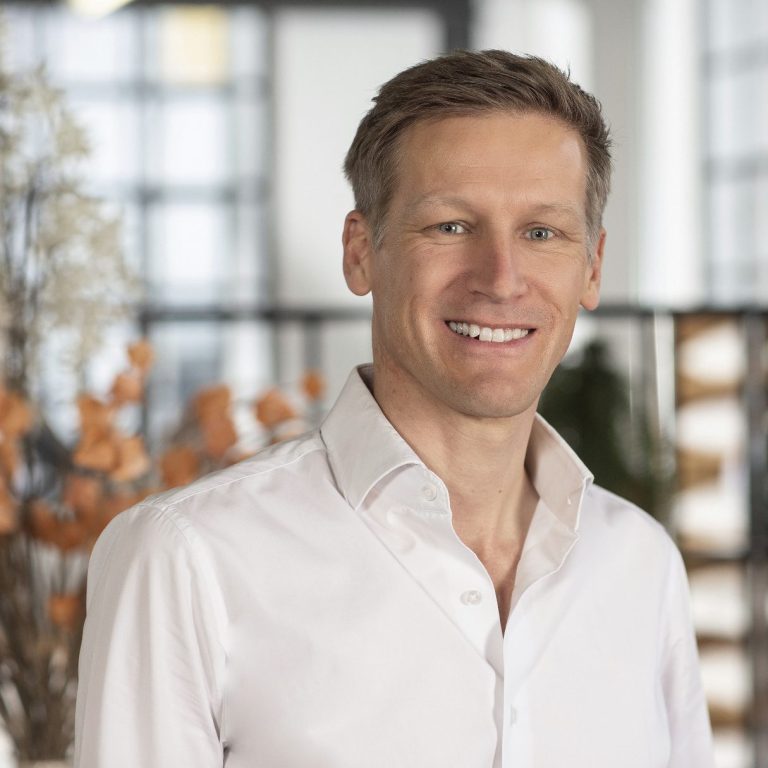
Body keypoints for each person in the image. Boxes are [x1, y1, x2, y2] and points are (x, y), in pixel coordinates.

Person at [75, 50, 714, 767]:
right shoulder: (188, 559)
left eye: (542, 233)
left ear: (591, 266)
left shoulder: (640, 564)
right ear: (361, 252)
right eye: (450, 226)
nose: (501, 280)